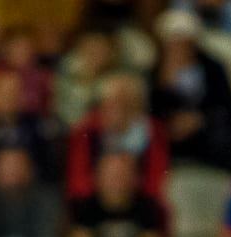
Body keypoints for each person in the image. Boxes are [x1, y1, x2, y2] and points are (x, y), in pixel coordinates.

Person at [148, 6, 231, 171]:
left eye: (185, 42)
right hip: (170, 156)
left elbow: (228, 109)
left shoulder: (213, 69)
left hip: (210, 153)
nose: (179, 48)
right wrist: (166, 86)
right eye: (174, 42)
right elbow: (152, 115)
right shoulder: (154, 74)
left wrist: (200, 119)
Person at [65, 71, 169, 202]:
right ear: (103, 105)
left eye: (126, 103)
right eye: (113, 102)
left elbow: (157, 180)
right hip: (94, 201)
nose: (118, 109)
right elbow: (78, 181)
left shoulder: (152, 130)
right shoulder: (87, 130)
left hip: (141, 202)